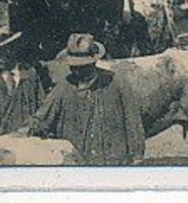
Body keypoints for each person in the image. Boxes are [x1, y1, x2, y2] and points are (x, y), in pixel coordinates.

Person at [25, 33, 145, 164]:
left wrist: (137, 156)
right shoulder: (63, 88)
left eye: (82, 66)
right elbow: (41, 119)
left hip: (113, 163)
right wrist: (21, 134)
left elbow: (133, 123)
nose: (77, 71)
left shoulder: (117, 83)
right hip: (77, 164)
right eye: (73, 66)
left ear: (94, 62)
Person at [0, 29, 42, 136]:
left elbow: (42, 111)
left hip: (26, 141)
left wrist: (29, 128)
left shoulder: (30, 75)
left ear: (11, 49)